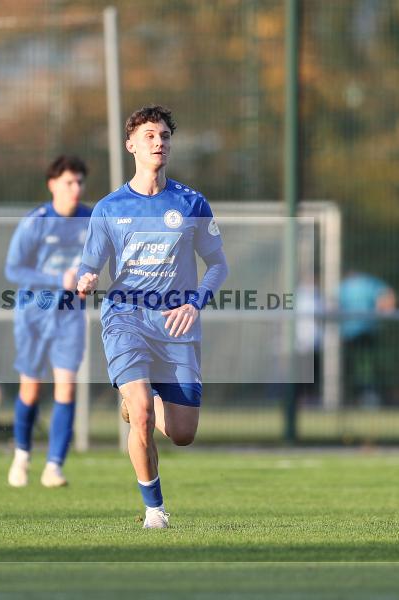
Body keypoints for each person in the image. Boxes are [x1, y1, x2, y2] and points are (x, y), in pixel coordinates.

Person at [76, 105, 229, 528]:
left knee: (182, 434)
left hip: (177, 323)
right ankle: (154, 510)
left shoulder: (191, 202)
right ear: (131, 145)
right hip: (126, 318)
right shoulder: (109, 208)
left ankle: (139, 402)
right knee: (142, 412)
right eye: (149, 136)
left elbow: (218, 265)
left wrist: (195, 302)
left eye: (163, 136)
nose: (158, 142)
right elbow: (91, 262)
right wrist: (86, 278)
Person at [5, 155, 91, 488]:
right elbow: (14, 269)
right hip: (33, 315)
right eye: (69, 181)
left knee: (66, 389)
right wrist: (58, 278)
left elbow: (103, 258)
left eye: (80, 182)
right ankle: (22, 456)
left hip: (70, 316)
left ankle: (54, 466)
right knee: (31, 389)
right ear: (52, 184)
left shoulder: (91, 218)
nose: (76, 188)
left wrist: (87, 279)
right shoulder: (36, 221)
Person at [339, 271, 395, 407]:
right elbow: (387, 295)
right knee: (362, 365)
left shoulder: (346, 285)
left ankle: (365, 395)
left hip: (360, 331)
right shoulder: (369, 283)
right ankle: (361, 394)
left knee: (364, 366)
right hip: (358, 331)